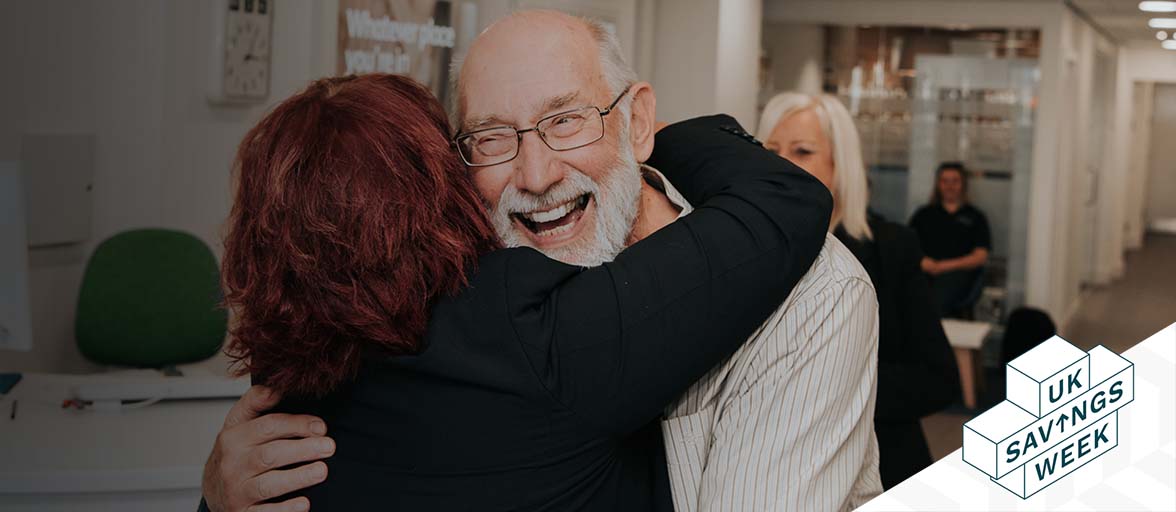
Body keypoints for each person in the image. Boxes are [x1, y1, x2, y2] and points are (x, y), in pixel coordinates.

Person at [203, 10, 882, 512]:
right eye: (492, 137)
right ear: (448, 184)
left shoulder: (811, 298)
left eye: (566, 120)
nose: (535, 173)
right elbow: (781, 202)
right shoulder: (502, 308)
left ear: (635, 121)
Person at [758, 92, 961, 489]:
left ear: (840, 166)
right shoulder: (746, 253)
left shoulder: (891, 248)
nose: (780, 164)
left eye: (803, 151)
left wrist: (824, 389)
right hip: (775, 473)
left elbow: (936, 381)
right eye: (771, 149)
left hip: (878, 466)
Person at [908, 162, 991, 317]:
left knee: (941, 289)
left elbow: (980, 256)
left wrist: (943, 266)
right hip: (925, 271)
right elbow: (908, 247)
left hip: (959, 274)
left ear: (963, 184)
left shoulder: (975, 217)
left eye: (955, 181)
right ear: (938, 184)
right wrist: (924, 262)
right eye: (945, 181)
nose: (949, 186)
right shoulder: (923, 215)